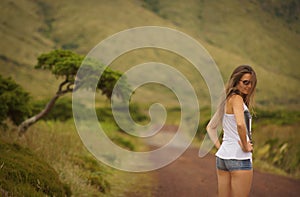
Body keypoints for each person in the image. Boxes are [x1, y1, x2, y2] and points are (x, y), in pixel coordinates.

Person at [206, 65, 257, 197]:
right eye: (245, 82)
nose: (249, 86)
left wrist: (220, 147)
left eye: (251, 83)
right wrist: (246, 146)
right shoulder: (237, 99)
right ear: (236, 81)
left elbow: (210, 127)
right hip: (239, 157)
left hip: (222, 158)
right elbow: (240, 124)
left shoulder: (226, 100)